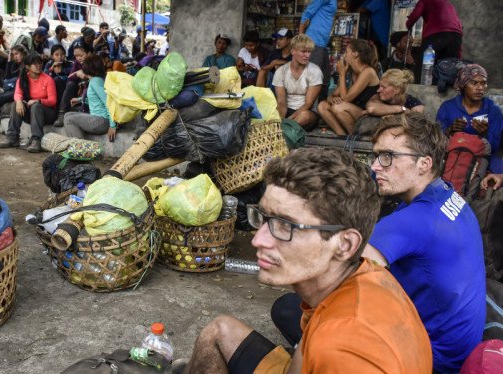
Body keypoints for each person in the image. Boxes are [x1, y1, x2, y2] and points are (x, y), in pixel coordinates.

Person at [180, 147, 432, 374]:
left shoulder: (342, 352)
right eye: (264, 217)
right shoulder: (365, 273)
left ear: (345, 245)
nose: (258, 240)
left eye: (284, 225)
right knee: (219, 330)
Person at [363, 112, 486, 372]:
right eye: (375, 156)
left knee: (290, 310)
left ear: (424, 163)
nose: (375, 166)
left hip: (433, 360)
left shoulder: (413, 221)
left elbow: (339, 275)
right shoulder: (448, 194)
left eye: (388, 157)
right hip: (460, 348)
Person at [317, 39, 380, 135]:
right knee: (322, 105)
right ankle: (342, 136)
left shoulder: (368, 72)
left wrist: (342, 74)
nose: (344, 55)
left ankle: (353, 139)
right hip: (351, 111)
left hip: (367, 115)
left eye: (347, 51)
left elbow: (346, 99)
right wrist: (333, 99)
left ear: (355, 54)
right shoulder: (350, 72)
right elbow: (332, 96)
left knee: (338, 107)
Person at [0, 54, 57, 153]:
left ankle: (36, 140)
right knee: (16, 104)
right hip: (32, 115)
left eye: (40, 63)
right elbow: (17, 93)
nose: (38, 65)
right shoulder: (23, 78)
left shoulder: (47, 79)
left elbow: (53, 101)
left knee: (36, 106)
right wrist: (19, 101)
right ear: (27, 66)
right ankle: (12, 137)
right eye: (35, 64)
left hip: (48, 113)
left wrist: (38, 100)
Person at [61, 54, 116, 142]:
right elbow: (96, 99)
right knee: (67, 115)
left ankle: (81, 149)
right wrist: (79, 100)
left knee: (69, 119)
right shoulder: (95, 80)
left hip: (102, 121)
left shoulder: (95, 81)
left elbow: (108, 102)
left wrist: (112, 126)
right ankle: (80, 146)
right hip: (99, 119)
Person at [272, 34, 322, 130]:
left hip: (307, 112)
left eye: (309, 52)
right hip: (287, 110)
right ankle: (282, 130)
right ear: (293, 51)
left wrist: (288, 121)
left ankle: (284, 130)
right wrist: (280, 119)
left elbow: (308, 104)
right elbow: (281, 102)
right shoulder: (281, 71)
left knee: (305, 116)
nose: (307, 55)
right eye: (303, 52)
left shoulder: (315, 71)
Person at [406, 0, 463, 83]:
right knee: (449, 66)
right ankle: (443, 89)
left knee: (424, 64)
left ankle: (419, 89)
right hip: (456, 36)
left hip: (436, 35)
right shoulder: (449, 4)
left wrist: (408, 25)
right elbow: (458, 25)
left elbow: (415, 14)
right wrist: (459, 56)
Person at [300, 0, 337, 100]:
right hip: (314, 41)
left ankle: (320, 107)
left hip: (322, 44)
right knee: (313, 79)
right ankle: (310, 108)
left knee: (325, 78)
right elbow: (306, 14)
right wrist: (301, 38)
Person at [54, 43, 88, 127]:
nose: (78, 58)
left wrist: (85, 75)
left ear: (88, 53)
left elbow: (97, 79)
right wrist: (78, 74)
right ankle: (62, 113)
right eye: (76, 56)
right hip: (79, 89)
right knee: (70, 84)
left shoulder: (94, 62)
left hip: (90, 90)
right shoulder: (77, 63)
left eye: (81, 55)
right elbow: (70, 77)